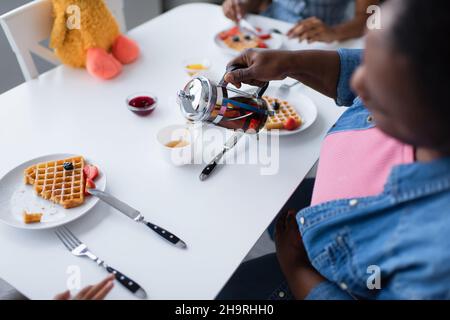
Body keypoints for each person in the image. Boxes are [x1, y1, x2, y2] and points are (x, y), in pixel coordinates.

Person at [218, 0, 450, 299]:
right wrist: (289, 63)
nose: (358, 82)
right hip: (319, 210)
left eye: (379, 83)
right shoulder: (418, 77)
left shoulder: (436, 257)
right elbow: (361, 64)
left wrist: (297, 268)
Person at [222, 0, 379, 43]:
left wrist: (334, 33)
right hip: (270, 32)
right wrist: (242, 5)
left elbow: (369, 19)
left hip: (326, 41)